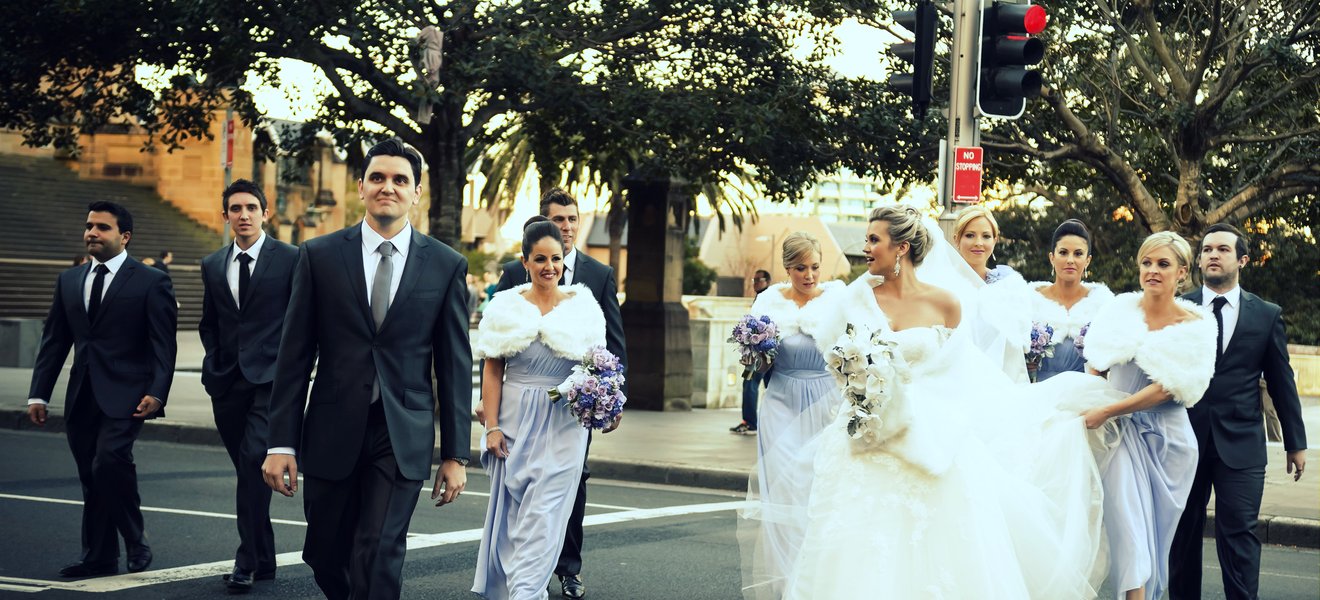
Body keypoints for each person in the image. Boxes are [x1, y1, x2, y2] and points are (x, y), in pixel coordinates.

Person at [776, 205, 1113, 598]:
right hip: (867, 438)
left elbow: (962, 376)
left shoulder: (947, 304)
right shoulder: (853, 301)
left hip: (931, 433)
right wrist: (864, 394)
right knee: (859, 543)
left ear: (900, 248)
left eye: (874, 240)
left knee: (938, 545)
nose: (866, 248)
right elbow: (838, 364)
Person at [261, 138, 472, 600]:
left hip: (400, 433)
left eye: (400, 180)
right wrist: (280, 442)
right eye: (378, 177)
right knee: (324, 553)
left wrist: (456, 454)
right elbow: (294, 357)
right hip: (331, 428)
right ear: (361, 186)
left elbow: (454, 365)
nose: (388, 187)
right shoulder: (317, 256)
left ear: (417, 192)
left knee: (378, 548)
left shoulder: (445, 265)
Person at [27, 201, 177, 577]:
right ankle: (99, 557)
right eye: (89, 225)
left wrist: (158, 392)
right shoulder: (69, 280)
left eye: (102, 228)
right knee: (91, 477)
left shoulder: (150, 280)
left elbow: (163, 345)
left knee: (109, 461)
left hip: (129, 394)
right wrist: (38, 394)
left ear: (124, 236)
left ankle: (135, 538)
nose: (92, 232)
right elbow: (54, 342)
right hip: (81, 395)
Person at [488, 188, 625, 599]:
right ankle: (523, 579)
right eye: (558, 219)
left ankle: (561, 570)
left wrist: (613, 397)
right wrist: (491, 416)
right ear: (527, 259)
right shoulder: (512, 284)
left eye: (571, 220)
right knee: (521, 505)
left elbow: (609, 348)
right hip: (518, 413)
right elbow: (494, 358)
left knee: (565, 491)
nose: (566, 228)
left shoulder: (595, 281)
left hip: (569, 415)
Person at [1169, 223, 1307, 600]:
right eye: (1207, 249)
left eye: (1223, 249)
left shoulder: (1266, 315)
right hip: (1185, 441)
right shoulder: (1178, 309)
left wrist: (1296, 443)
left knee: (1240, 537)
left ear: (1242, 259)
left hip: (1242, 445)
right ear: (1198, 261)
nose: (1213, 255)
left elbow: (1282, 381)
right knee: (1182, 536)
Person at [1081, 231, 1217, 600]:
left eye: (1163, 264)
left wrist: (1110, 408)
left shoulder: (1198, 324)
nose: (1153, 271)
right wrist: (1095, 402)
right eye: (1146, 263)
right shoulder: (1119, 310)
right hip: (1119, 435)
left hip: (1170, 443)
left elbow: (1170, 387)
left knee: (1157, 537)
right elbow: (1096, 362)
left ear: (1182, 272)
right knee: (1128, 528)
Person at [198, 179, 297, 593]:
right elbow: (211, 322)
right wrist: (216, 361)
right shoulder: (212, 264)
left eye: (251, 208)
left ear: (265, 212)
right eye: (235, 208)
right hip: (226, 382)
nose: (243, 215)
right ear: (226, 216)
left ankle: (245, 561)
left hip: (270, 382)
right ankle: (265, 558)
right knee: (247, 471)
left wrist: (294, 370)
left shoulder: (292, 259)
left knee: (256, 459)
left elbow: (300, 320)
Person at [738, 233, 844, 600]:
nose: (809, 275)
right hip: (781, 399)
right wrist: (756, 352)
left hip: (826, 401)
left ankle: (815, 579)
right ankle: (786, 580)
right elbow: (757, 362)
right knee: (784, 489)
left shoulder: (838, 299)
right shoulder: (769, 301)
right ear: (788, 269)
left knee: (818, 487)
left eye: (815, 267)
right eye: (801, 268)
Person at [953, 205, 1032, 382]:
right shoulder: (945, 283)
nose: (978, 242)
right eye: (970, 235)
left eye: (986, 236)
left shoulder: (1010, 286)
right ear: (956, 239)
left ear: (995, 240)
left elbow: (1017, 346)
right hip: (956, 377)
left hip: (1001, 379)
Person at [1027, 219, 1113, 381]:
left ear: (1088, 260)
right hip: (1037, 389)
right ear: (1052, 257)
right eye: (1063, 252)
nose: (1070, 260)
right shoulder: (1029, 300)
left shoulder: (1103, 303)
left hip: (1087, 391)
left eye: (1078, 254)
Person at [731, 269, 773, 435]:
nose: (755, 283)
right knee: (772, 386)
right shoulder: (767, 297)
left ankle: (749, 422)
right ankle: (770, 421)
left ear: (767, 281)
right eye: (753, 280)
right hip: (767, 351)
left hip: (760, 352)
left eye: (758, 280)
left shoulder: (766, 298)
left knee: (749, 382)